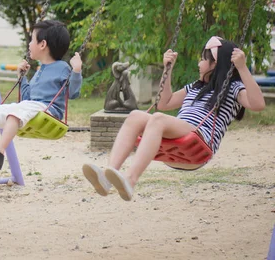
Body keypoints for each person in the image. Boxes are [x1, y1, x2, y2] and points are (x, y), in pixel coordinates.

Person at [82, 36, 265, 201]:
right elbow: (164, 102)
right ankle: (108, 175)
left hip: (200, 139)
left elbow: (258, 104)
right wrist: (167, 69)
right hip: (179, 136)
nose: (199, 63)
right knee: (135, 116)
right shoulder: (195, 87)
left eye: (203, 59)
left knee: (158, 119)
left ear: (215, 63)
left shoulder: (232, 87)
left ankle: (131, 179)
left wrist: (241, 68)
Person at [0, 20, 83, 170]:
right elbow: (27, 98)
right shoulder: (40, 70)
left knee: (15, 113)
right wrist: (22, 77)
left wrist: (76, 71)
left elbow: (72, 93)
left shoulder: (62, 67)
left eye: (32, 40)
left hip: (49, 111)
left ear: (42, 44)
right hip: (32, 107)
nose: (29, 44)